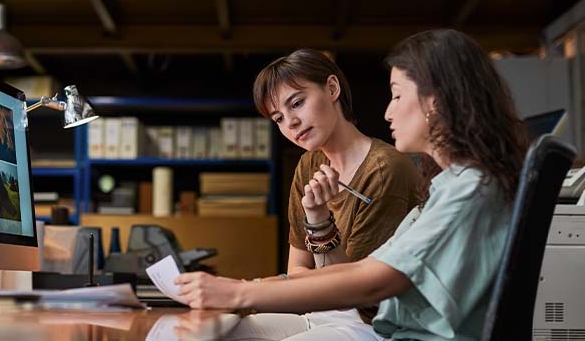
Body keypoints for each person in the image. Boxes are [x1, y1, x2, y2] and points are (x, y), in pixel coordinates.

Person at [175, 29, 528, 340]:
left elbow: (370, 283)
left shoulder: (467, 189)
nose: (388, 113)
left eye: (397, 95)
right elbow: (355, 273)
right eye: (279, 118)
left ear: (435, 100)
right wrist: (240, 288)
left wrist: (239, 293)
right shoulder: (451, 186)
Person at [192, 48, 424, 339]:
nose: (290, 123)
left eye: (297, 103)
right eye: (278, 118)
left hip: (372, 325)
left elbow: (359, 291)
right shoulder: (310, 163)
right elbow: (298, 269)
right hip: (320, 312)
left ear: (331, 88)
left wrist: (319, 225)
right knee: (222, 333)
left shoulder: (384, 169)